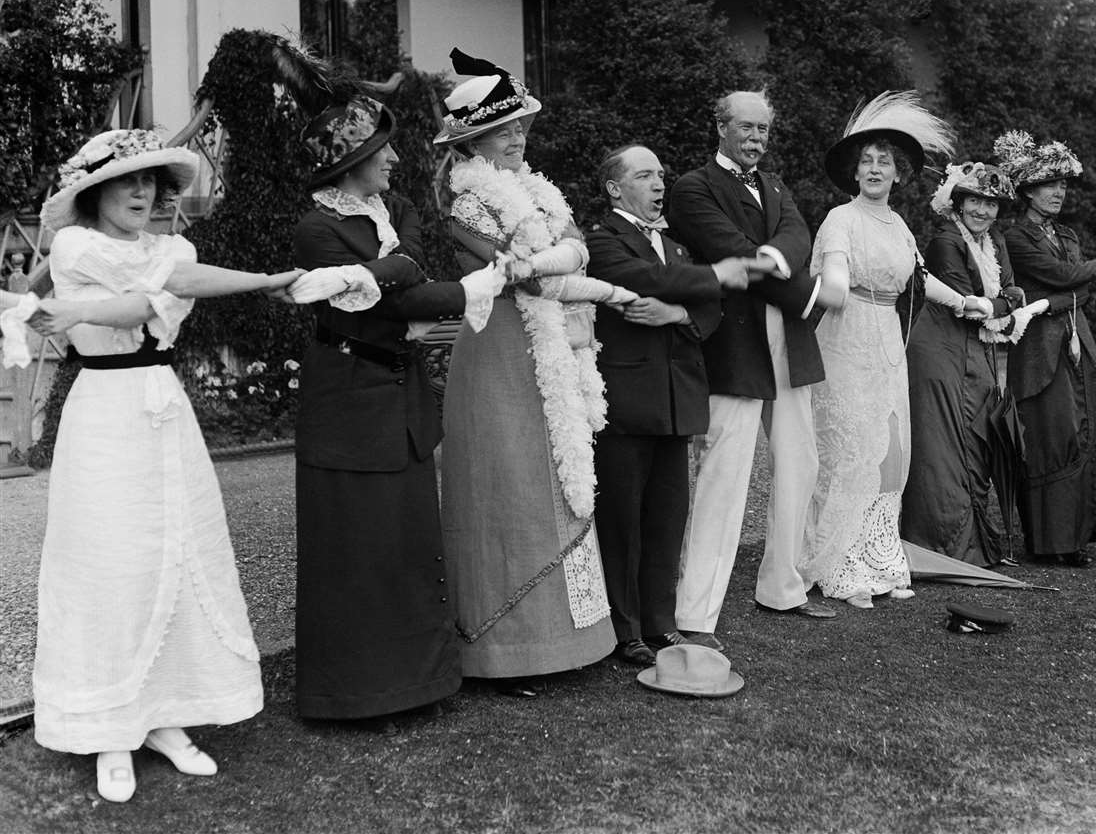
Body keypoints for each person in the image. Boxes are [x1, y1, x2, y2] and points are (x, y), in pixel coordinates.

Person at [23, 129, 302, 802]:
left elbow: (165, 288)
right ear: (95, 194)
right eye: (127, 182)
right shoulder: (75, 245)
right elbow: (135, 302)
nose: (143, 192)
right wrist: (265, 281)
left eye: (151, 181)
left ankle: (166, 715)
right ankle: (110, 729)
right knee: (108, 561)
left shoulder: (172, 250)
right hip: (104, 412)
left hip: (163, 409)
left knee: (176, 553)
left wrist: (266, 280)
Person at [289, 96, 504, 720]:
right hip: (348, 399)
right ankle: (355, 693)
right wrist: (461, 287)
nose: (395, 158)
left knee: (409, 539)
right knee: (356, 543)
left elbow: (406, 271)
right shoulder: (316, 228)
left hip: (400, 389)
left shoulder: (399, 209)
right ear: (352, 159)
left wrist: (387, 270)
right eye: (382, 149)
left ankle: (422, 682)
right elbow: (396, 302)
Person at [435, 51, 634, 695]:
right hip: (498, 348)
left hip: (554, 340)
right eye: (503, 130)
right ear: (473, 142)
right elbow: (513, 270)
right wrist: (560, 259)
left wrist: (558, 257)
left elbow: (572, 249)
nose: (518, 137)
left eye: (522, 126)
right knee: (509, 481)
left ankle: (572, 637)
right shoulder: (466, 198)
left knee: (561, 470)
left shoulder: (542, 191)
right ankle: (510, 647)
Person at [668, 90, 835, 648]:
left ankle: (782, 587)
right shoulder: (693, 188)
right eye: (746, 127)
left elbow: (796, 234)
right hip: (733, 344)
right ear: (719, 127)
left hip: (785, 340)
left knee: (799, 462)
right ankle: (694, 613)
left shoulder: (776, 185)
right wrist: (808, 294)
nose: (757, 138)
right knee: (725, 473)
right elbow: (730, 250)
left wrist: (776, 263)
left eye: (764, 128)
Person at [584, 144, 753, 666]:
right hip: (626, 404)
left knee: (665, 519)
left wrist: (678, 315)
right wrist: (715, 275)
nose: (660, 184)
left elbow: (711, 311)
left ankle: (660, 623)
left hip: (676, 403)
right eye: (644, 176)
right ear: (615, 188)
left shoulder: (677, 248)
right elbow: (642, 280)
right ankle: (623, 628)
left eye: (661, 174)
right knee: (622, 519)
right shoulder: (601, 240)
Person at [801, 92, 969, 607]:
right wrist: (830, 285)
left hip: (887, 346)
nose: (875, 169)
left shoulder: (897, 224)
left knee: (891, 454)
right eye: (867, 162)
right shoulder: (839, 219)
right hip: (845, 337)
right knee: (852, 450)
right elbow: (833, 276)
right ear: (855, 173)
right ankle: (839, 567)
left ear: (899, 175)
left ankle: (881, 560)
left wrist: (966, 301)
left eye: (885, 163)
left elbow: (918, 277)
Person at [995, 130, 1096, 567]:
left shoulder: (1067, 234)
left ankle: (1079, 535)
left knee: (1087, 430)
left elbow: (1081, 291)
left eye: (1062, 184)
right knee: (1052, 436)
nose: (1058, 192)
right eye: (1048, 185)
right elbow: (1063, 275)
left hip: (1077, 343)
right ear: (1028, 191)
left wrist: (1045, 303)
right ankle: (1049, 541)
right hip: (1039, 352)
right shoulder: (1016, 238)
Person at [900, 161, 1035, 567]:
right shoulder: (946, 241)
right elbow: (965, 305)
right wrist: (1004, 305)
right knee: (945, 444)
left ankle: (976, 543)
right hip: (941, 349)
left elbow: (1012, 289)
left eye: (991, 204)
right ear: (958, 202)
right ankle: (942, 546)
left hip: (978, 353)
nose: (983, 211)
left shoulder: (995, 241)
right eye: (975, 200)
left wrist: (1000, 304)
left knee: (978, 441)